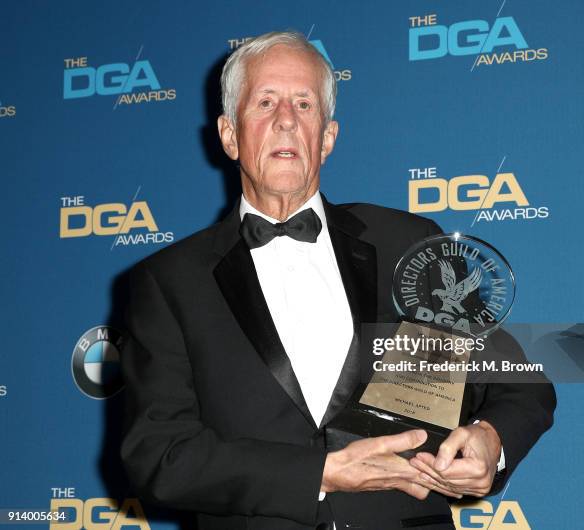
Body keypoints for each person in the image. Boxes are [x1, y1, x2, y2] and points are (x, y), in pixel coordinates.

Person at [120, 31, 555, 530]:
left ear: (327, 137)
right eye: (265, 103)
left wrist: (491, 439)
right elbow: (159, 455)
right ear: (229, 134)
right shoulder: (169, 281)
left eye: (304, 104)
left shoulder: (409, 246)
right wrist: (319, 474)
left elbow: (521, 384)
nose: (286, 119)